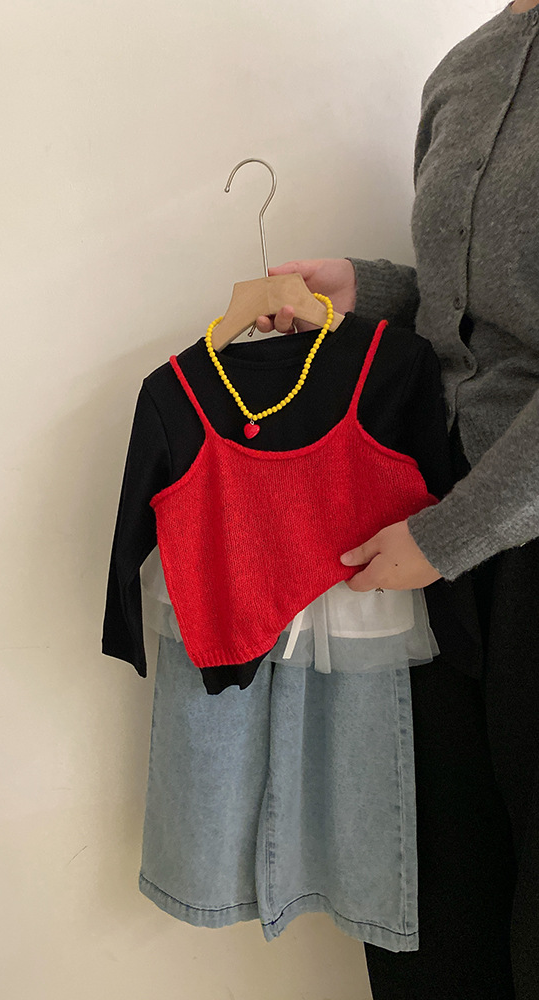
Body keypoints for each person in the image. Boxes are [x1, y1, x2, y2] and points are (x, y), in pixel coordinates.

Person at [255, 2, 539, 997]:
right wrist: (368, 290)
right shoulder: (467, 67)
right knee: (432, 879)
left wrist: (451, 535)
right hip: (437, 518)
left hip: (477, 531)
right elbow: (482, 312)